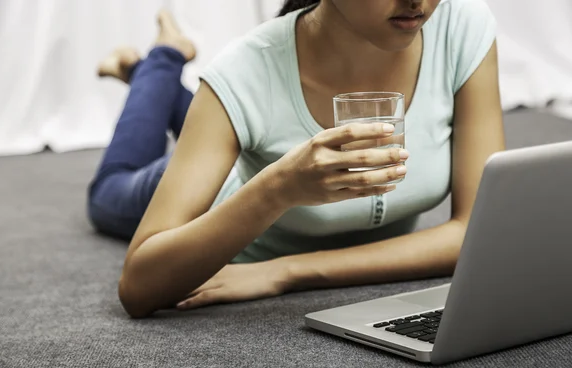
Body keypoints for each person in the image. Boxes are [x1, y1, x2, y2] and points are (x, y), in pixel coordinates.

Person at [88, 0, 505, 318]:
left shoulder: (459, 26)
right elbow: (139, 285)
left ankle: (167, 89)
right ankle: (162, 58)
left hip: (237, 127)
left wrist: (286, 271)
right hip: (220, 201)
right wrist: (277, 189)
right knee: (111, 189)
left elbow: (477, 231)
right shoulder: (244, 69)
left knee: (221, 112)